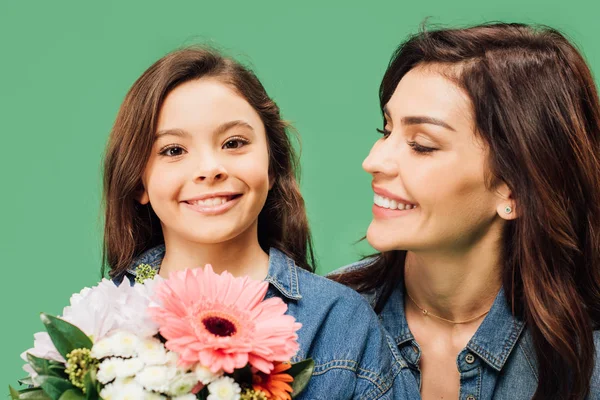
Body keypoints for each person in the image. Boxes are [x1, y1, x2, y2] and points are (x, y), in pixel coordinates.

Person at [102, 46, 418, 399]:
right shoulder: (102, 319)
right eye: (174, 150)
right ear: (139, 181)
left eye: (234, 143)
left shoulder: (341, 322)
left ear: (271, 166)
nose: (209, 169)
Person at [332, 23, 600, 399]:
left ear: (515, 191)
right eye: (386, 129)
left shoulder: (589, 363)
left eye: (422, 145)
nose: (374, 160)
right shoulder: (317, 320)